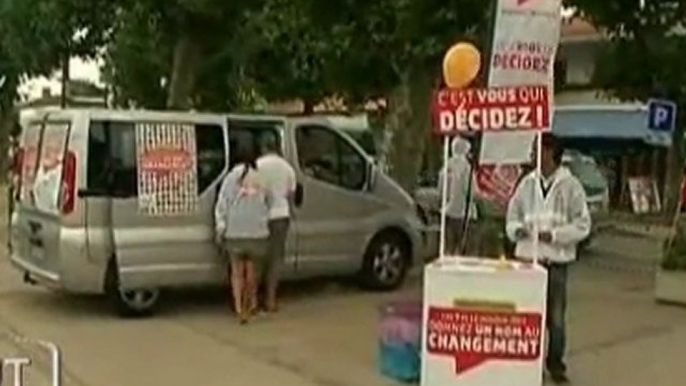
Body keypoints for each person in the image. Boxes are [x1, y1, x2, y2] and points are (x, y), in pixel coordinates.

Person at [506, 134, 591, 384]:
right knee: (527, 316)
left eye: (539, 150)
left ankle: (555, 365)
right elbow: (512, 215)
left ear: (552, 152)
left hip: (555, 262)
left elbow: (583, 225)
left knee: (555, 319)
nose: (535, 156)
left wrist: (553, 235)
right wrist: (516, 230)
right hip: (528, 260)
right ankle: (526, 363)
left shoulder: (571, 186)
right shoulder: (527, 184)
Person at [215, 145, 271, 324]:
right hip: (257, 231)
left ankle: (239, 308)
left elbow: (222, 204)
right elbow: (269, 203)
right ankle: (250, 305)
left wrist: (220, 228)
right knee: (251, 273)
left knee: (237, 273)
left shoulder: (230, 178)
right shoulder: (262, 177)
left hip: (235, 231)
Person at [256, 134, 296, 313]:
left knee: (257, 258)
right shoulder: (287, 168)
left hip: (260, 217)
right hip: (281, 216)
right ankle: (270, 300)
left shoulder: (257, 166)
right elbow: (291, 196)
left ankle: (252, 300)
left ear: (263, 148)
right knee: (275, 259)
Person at [438, 136, 477, 255]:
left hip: (448, 213)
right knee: (464, 248)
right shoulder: (467, 168)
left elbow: (440, 190)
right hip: (465, 214)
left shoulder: (446, 168)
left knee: (448, 247)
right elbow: (471, 191)